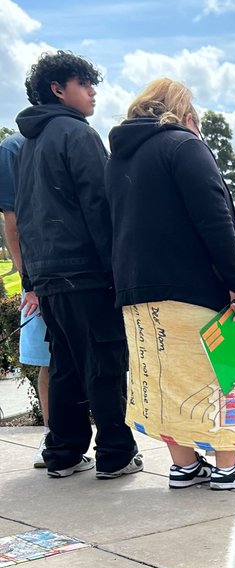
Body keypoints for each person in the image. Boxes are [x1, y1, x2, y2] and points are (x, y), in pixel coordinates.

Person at [105, 78, 235, 490]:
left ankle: (184, 465)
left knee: (167, 380)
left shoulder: (118, 160)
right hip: (195, 288)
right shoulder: (184, 145)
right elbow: (214, 217)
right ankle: (228, 466)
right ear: (187, 114)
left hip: (137, 295)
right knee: (230, 373)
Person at [15, 50, 141, 479]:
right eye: (84, 85)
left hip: (50, 275)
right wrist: (117, 270)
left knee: (66, 365)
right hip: (86, 272)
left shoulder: (30, 142)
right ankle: (115, 454)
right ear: (58, 88)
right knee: (105, 362)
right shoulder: (76, 133)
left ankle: (64, 453)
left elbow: (25, 213)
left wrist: (31, 277)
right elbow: (100, 206)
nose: (92, 94)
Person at [0, 131, 51, 464]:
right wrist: (27, 280)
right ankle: (52, 437)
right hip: (43, 276)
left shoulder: (78, 137)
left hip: (57, 275)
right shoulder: (14, 148)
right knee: (53, 362)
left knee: (58, 363)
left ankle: (56, 439)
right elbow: (12, 221)